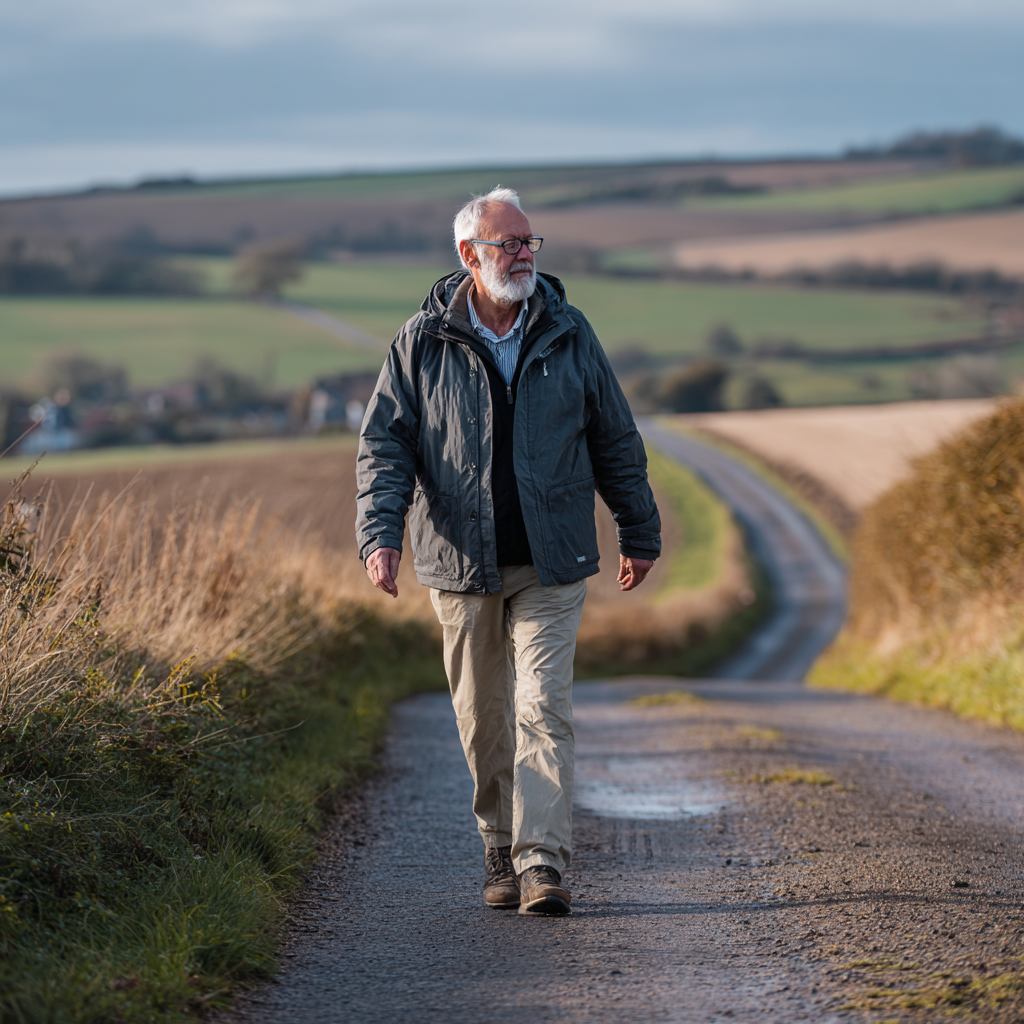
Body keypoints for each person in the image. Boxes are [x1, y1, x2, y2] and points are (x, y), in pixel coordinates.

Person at [355, 186, 661, 916]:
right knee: (481, 717)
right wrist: (380, 534)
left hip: (552, 561)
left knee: (542, 707)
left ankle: (541, 861)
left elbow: (614, 436)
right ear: (470, 254)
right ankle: (498, 842)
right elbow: (385, 446)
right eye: (510, 244)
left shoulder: (570, 331)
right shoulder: (421, 340)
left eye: (530, 242)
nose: (525, 255)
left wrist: (639, 529)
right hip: (461, 561)